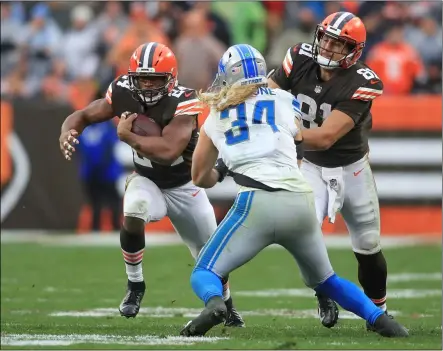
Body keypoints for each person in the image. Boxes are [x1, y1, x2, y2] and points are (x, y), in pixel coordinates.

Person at [180, 43, 408, 338]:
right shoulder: (285, 100)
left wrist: (221, 169)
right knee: (327, 280)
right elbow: (298, 146)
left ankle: (214, 305)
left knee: (204, 272)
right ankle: (382, 320)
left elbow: (199, 177)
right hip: (300, 199)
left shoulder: (215, 114)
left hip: (255, 202)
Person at [59, 42, 244, 327]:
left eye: (154, 79)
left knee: (211, 255)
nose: (146, 86)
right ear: (132, 77)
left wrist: (128, 137)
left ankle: (228, 306)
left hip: (185, 185)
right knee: (133, 209)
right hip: (147, 179)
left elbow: (168, 150)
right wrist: (67, 130)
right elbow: (84, 115)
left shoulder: (184, 101)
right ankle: (135, 285)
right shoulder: (122, 90)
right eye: (141, 79)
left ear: (170, 79)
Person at [268, 11, 389, 330]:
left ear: (354, 51)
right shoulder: (298, 56)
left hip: (351, 168)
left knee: (367, 243)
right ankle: (324, 293)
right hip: (311, 166)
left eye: (338, 44)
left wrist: (281, 132)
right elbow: (268, 94)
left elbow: (325, 136)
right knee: (306, 233)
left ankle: (379, 308)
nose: (328, 48)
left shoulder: (365, 82)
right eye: (325, 39)